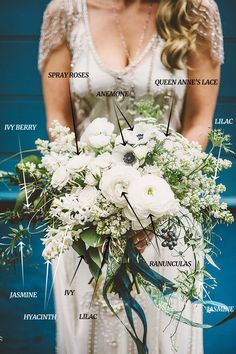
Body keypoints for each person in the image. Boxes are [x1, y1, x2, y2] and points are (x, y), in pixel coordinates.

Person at [38, 0, 224, 353]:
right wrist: (94, 205)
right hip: (86, 226)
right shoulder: (64, 12)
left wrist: (154, 202)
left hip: (165, 222)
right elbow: (58, 120)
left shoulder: (195, 10)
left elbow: (199, 122)